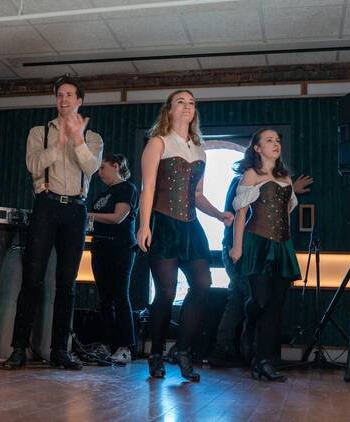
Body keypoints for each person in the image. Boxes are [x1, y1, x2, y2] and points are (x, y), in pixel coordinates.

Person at [3, 76, 103, 371]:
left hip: (76, 211)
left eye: (70, 95)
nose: (64, 99)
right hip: (46, 207)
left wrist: (76, 140)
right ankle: (19, 349)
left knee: (66, 284)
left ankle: (61, 350)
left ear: (79, 101)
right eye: (60, 95)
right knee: (32, 280)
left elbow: (91, 167)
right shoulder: (38, 132)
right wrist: (59, 143)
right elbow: (33, 166)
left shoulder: (93, 138)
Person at [137, 89, 234, 382]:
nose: (187, 107)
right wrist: (143, 225)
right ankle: (155, 352)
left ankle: (182, 350)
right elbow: (148, 188)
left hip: (191, 227)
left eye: (191, 103)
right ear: (169, 110)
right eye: (181, 102)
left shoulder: (199, 149)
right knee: (165, 292)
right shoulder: (158, 143)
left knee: (202, 285)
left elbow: (199, 194)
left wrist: (219, 215)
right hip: (162, 222)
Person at [211, 172, 312, 367]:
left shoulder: (271, 181)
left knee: (241, 297)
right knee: (254, 296)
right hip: (240, 247)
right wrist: (238, 248)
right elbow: (239, 214)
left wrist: (288, 191)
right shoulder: (243, 180)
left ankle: (232, 349)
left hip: (252, 248)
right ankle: (248, 350)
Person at [229, 128, 301, 382]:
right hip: (256, 242)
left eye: (278, 140)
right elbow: (240, 214)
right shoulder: (251, 174)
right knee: (260, 301)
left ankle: (264, 361)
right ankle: (249, 326)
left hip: (282, 246)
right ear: (257, 148)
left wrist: (289, 246)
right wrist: (237, 247)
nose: (275, 143)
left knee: (275, 305)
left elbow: (287, 216)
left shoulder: (286, 177)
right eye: (269, 140)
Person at [88, 154, 139, 364]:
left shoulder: (127, 189)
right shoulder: (103, 194)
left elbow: (119, 217)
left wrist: (88, 214)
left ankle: (125, 346)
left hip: (119, 248)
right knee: (104, 299)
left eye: (102, 168)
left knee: (120, 295)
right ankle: (107, 344)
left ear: (116, 166)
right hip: (100, 247)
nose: (99, 173)